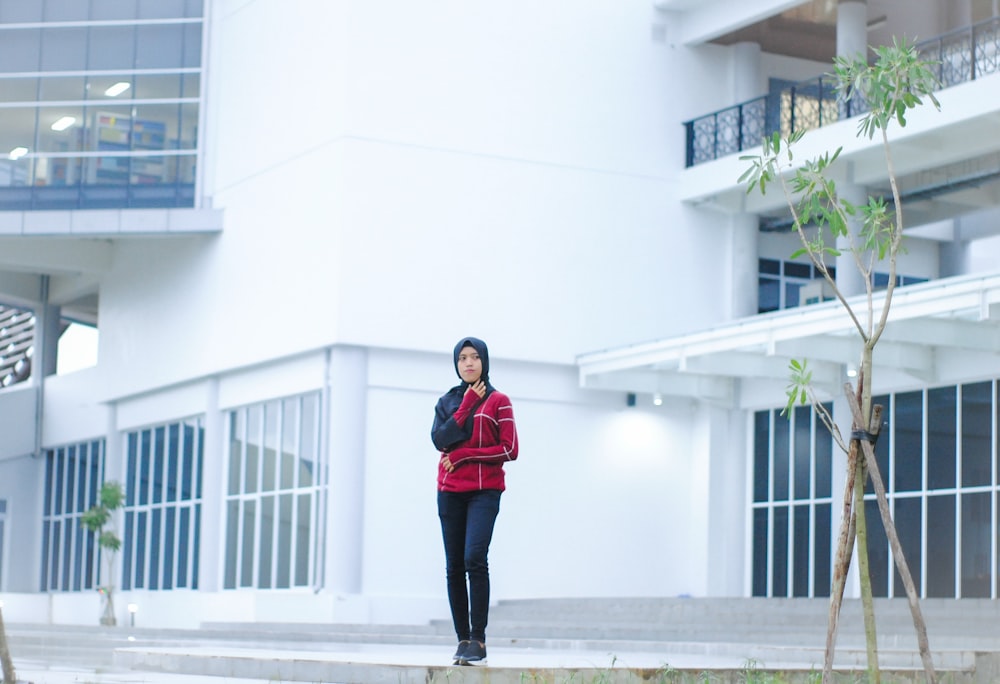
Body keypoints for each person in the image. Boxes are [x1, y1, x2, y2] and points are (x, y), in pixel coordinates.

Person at [431, 336, 519, 666]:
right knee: (453, 567)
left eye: (474, 357)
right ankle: (462, 640)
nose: (468, 363)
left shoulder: (500, 401)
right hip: (449, 491)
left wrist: (466, 454)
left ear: (484, 361)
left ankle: (479, 640)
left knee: (474, 558)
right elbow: (440, 440)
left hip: (484, 491)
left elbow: (510, 450)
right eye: (462, 359)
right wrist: (467, 404)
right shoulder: (448, 401)